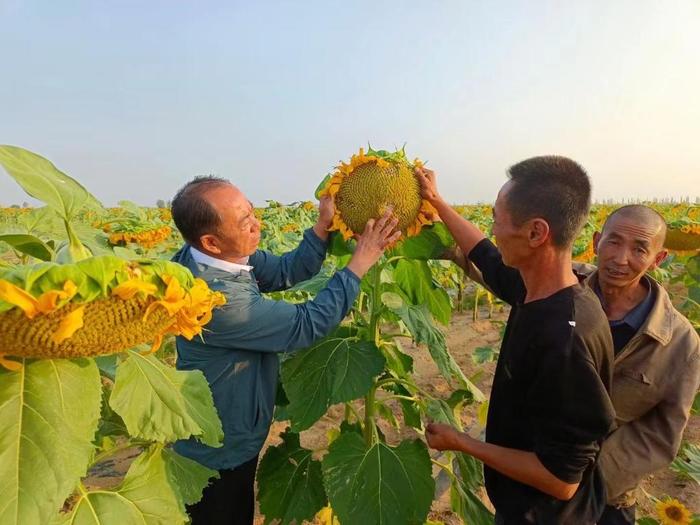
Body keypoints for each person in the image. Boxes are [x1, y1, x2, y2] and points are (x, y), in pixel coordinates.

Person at [169, 176, 401, 525]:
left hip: (229, 422)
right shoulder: (214, 299)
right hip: (217, 447)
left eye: (251, 212)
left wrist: (323, 226)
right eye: (244, 221)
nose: (256, 224)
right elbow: (306, 324)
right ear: (211, 241)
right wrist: (360, 262)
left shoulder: (211, 257)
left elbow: (286, 271)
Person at [418, 157, 616, 524]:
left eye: (497, 219)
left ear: (536, 233)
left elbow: (560, 480)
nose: (492, 229)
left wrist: (462, 443)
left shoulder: (564, 339)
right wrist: (436, 201)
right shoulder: (539, 287)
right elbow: (486, 255)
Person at [581, 205, 700, 524]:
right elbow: (505, 270)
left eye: (639, 249)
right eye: (613, 242)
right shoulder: (564, 288)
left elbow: (661, 433)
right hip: (532, 474)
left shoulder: (680, 342)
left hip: (608, 496)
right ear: (596, 242)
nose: (621, 259)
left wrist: (581, 482)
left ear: (658, 260)